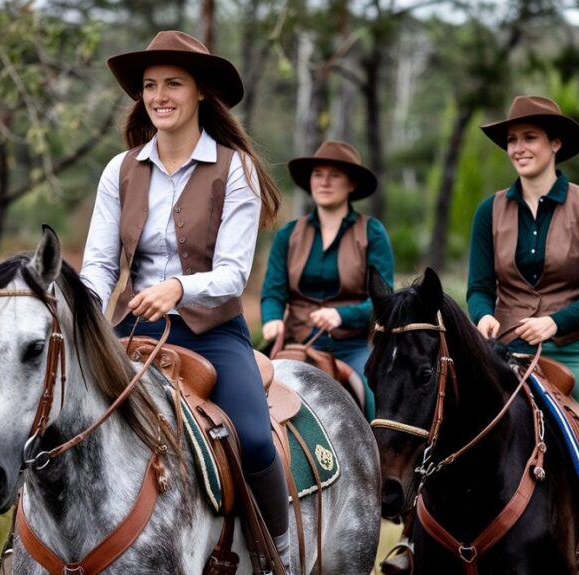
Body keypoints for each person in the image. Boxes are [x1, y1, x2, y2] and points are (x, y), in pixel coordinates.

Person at [79, 31, 291, 571]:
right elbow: (101, 267)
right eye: (150, 86)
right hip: (133, 332)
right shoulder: (119, 170)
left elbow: (232, 275)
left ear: (201, 94)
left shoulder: (235, 168)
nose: (159, 95)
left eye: (174, 83)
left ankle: (278, 556)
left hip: (214, 333)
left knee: (253, 439)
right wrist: (80, 315)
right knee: (69, 422)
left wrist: (178, 288)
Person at [466, 95, 579, 574]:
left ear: (555, 143)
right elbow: (480, 287)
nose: (518, 148)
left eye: (529, 138)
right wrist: (483, 315)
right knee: (447, 434)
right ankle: (416, 540)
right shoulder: (489, 211)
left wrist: (556, 322)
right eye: (511, 140)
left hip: (574, 353)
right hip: (505, 352)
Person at [260, 140, 394, 421]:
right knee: (250, 391)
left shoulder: (372, 232)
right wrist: (271, 318)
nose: (324, 182)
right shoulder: (288, 235)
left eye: (335, 175)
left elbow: (385, 301)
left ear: (352, 184)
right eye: (318, 174)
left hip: (352, 346)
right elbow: (273, 292)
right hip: (295, 341)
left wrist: (340, 315)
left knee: (374, 396)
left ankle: (379, 458)